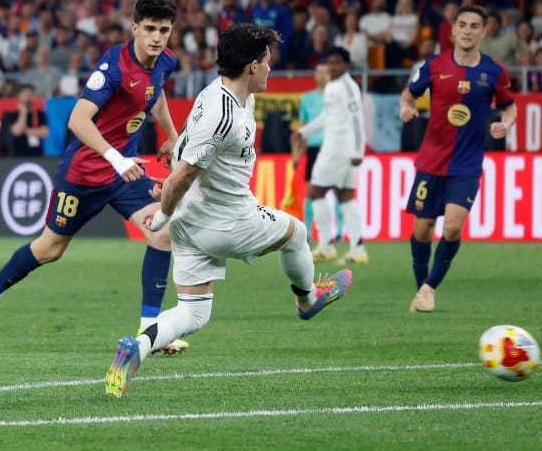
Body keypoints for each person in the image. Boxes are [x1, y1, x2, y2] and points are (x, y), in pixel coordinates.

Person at [104, 23, 352, 399]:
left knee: (193, 312)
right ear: (252, 66)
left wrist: (171, 197)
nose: (270, 68)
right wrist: (163, 212)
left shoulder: (219, 94)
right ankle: (308, 300)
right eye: (267, 61)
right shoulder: (225, 116)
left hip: (190, 222)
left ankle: (135, 349)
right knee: (297, 233)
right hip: (227, 222)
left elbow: (187, 153)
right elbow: (183, 174)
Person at [0, 0, 187, 353]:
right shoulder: (114, 67)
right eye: (150, 28)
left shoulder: (165, 61)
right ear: (135, 28)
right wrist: (116, 158)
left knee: (162, 233)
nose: (157, 37)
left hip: (125, 172)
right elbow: (78, 120)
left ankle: (150, 329)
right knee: (50, 249)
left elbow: (156, 93)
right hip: (85, 173)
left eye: (164, 30)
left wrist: (173, 137)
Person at [399, 4, 516, 313]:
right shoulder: (434, 65)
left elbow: (510, 106)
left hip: (467, 164)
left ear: (484, 32)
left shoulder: (494, 72)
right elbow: (409, 95)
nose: (467, 31)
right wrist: (406, 108)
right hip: (431, 161)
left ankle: (429, 288)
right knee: (423, 229)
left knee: (451, 228)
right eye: (462, 24)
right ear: (452, 30)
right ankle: (421, 289)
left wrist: (507, 123)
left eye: (474, 26)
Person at [292, 47, 368, 265]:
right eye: (330, 62)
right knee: (345, 197)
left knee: (315, 192)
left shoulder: (348, 86)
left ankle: (326, 246)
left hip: (339, 149)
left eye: (337, 62)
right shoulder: (333, 86)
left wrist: (358, 150)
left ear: (346, 65)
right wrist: (304, 132)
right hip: (336, 147)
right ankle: (357, 249)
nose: (332, 67)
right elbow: (326, 117)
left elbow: (357, 119)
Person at [295, 62, 344, 248]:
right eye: (319, 72)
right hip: (314, 149)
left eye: (325, 72)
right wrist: (297, 152)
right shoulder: (307, 98)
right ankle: (307, 231)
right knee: (311, 191)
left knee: (338, 189)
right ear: (315, 75)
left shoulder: (336, 98)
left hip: (334, 148)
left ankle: (339, 232)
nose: (322, 75)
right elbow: (302, 126)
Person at [6, 83, 48, 156]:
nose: (28, 98)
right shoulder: (11, 113)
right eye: (25, 95)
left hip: (36, 153)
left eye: (31, 95)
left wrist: (25, 130)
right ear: (19, 96)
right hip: (17, 153)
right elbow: (17, 131)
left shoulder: (39, 113)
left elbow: (44, 132)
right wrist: (23, 112)